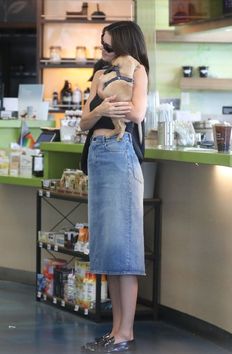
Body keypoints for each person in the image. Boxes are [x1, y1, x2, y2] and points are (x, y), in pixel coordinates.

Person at [80, 21, 149, 353]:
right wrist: (103, 108)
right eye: (102, 46)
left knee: (124, 248)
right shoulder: (98, 74)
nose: (103, 51)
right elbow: (83, 120)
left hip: (121, 155)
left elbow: (137, 112)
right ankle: (116, 330)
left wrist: (104, 107)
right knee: (108, 248)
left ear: (122, 44)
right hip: (98, 154)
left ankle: (125, 332)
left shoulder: (138, 71)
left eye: (107, 47)